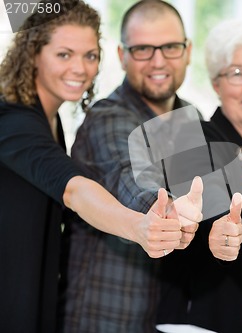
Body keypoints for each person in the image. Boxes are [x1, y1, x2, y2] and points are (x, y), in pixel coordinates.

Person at [0, 1, 203, 333]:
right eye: (64, 54)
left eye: (90, 55)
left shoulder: (48, 119)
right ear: (33, 53)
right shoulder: (13, 117)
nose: (80, 68)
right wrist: (140, 226)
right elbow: (75, 188)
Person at [155, 16, 242, 333]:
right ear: (216, 83)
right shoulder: (194, 138)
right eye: (238, 73)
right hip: (198, 321)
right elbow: (197, 208)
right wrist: (214, 231)